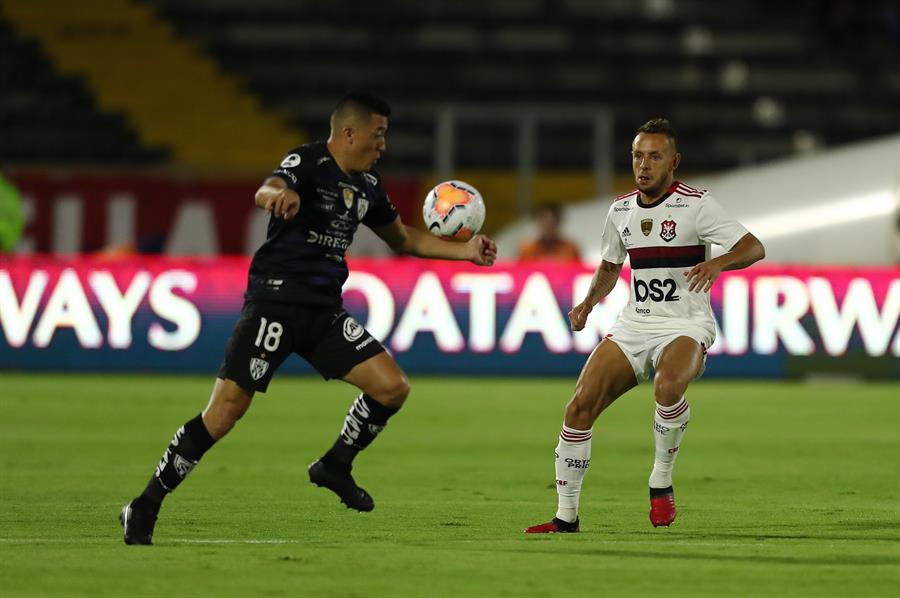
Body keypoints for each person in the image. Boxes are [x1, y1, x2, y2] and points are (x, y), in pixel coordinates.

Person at [120, 91, 498, 545]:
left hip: (322, 312)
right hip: (275, 303)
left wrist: (466, 251)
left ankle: (335, 465)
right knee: (223, 413)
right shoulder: (308, 162)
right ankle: (144, 505)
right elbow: (269, 187)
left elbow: (404, 240)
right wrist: (276, 198)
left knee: (391, 387)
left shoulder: (368, 186)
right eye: (378, 136)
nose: (383, 146)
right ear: (349, 132)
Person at [524, 118, 764, 533]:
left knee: (668, 386)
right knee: (578, 407)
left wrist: (717, 262)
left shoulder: (697, 204)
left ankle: (660, 479)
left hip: (685, 323)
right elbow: (610, 266)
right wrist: (587, 303)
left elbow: (753, 246)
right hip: (635, 324)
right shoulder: (620, 211)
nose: (645, 164)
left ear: (674, 161)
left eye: (655, 156)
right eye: (638, 155)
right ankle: (566, 517)